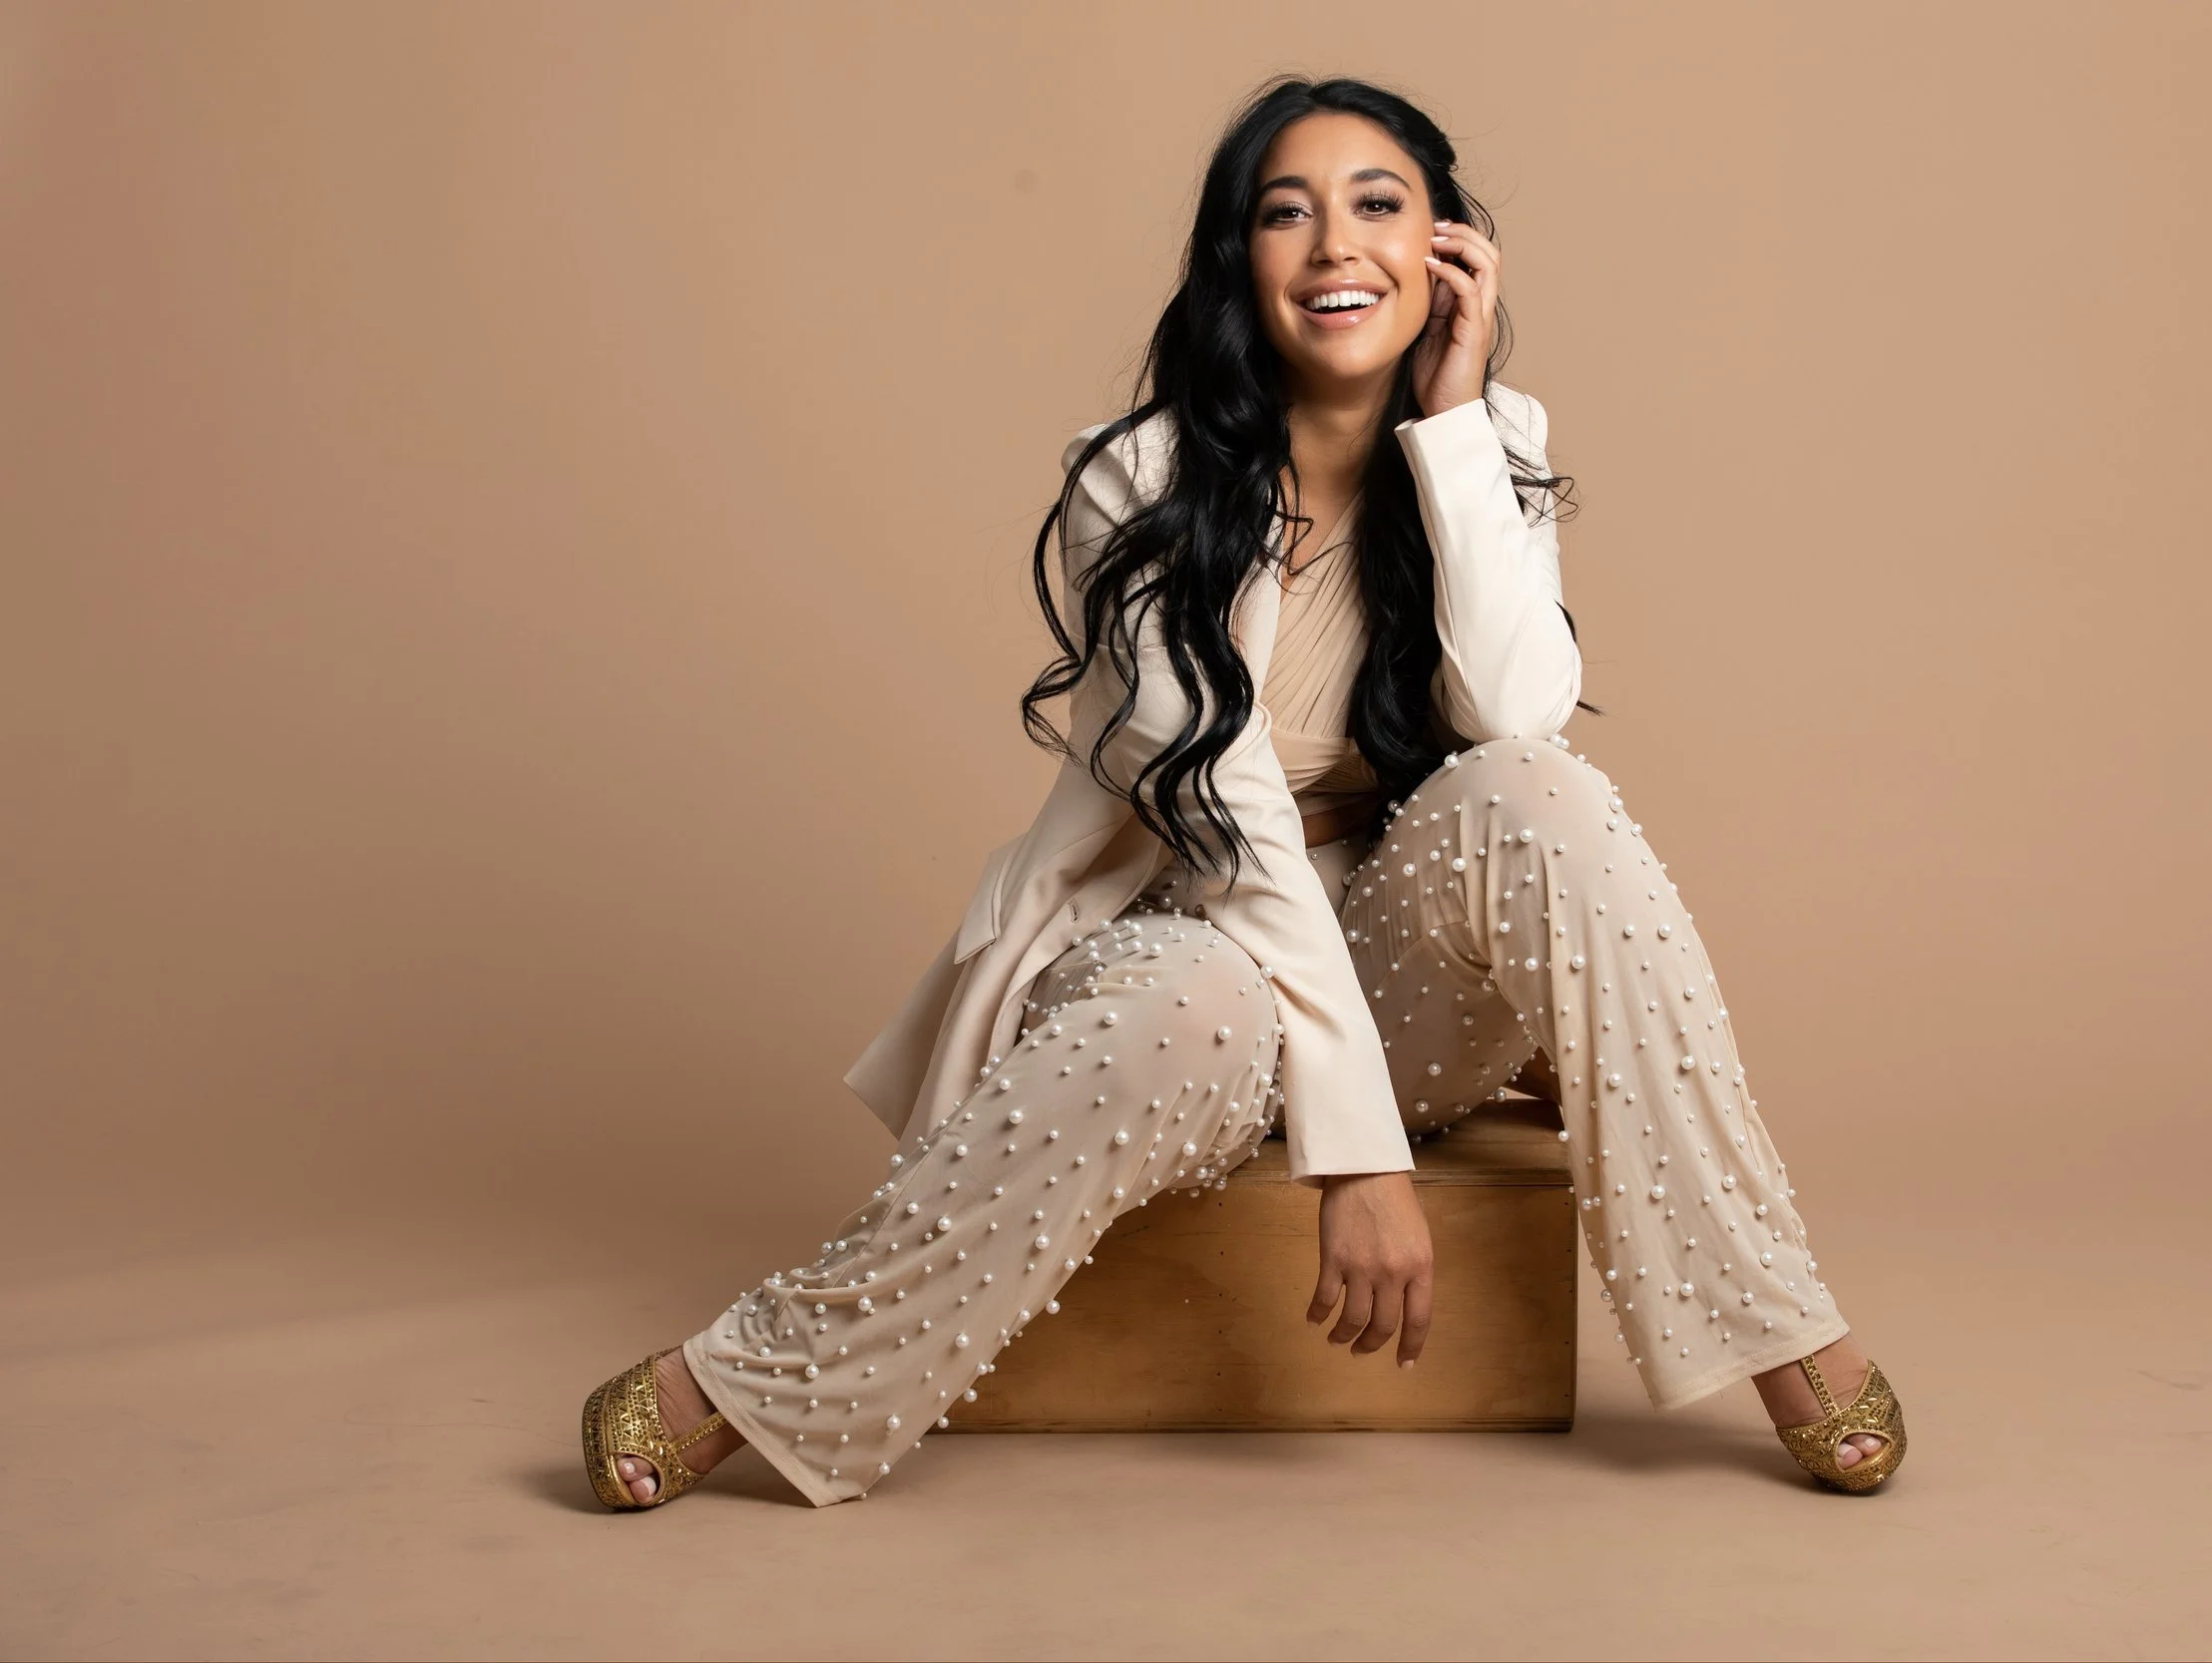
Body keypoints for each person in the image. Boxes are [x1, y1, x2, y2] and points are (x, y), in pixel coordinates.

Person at [580, 74, 1907, 1510]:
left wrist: (1453, 427)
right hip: (1185, 958)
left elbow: (1516, 715)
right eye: (1289, 214)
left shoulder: (1494, 438)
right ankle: (752, 1375)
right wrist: (1357, 1159)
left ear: (1449, 250)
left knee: (1541, 791)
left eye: (1379, 207)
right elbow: (1219, 805)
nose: (1338, 247)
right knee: (1195, 989)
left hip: (1403, 980)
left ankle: (1779, 1322)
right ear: (1240, 265)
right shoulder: (1134, 482)